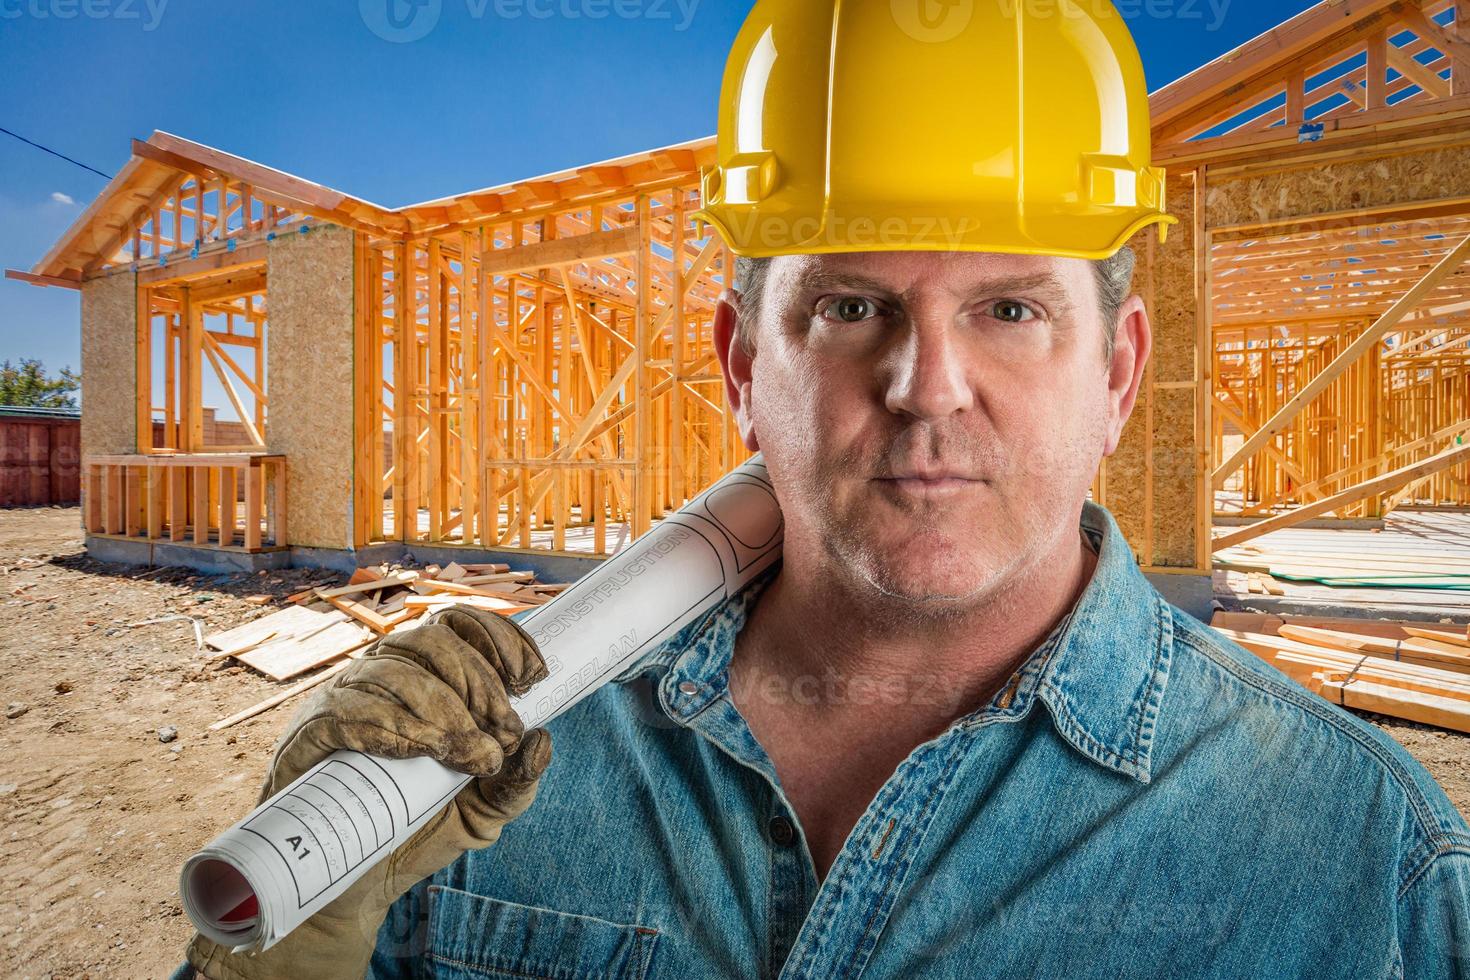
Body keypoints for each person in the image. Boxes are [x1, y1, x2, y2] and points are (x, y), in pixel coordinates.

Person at [179, 1, 1470, 977]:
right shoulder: (478, 781)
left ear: (1119, 374)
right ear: (741, 366)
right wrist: (284, 951)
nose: (923, 385)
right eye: (849, 306)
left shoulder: (1367, 870)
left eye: (1010, 308)